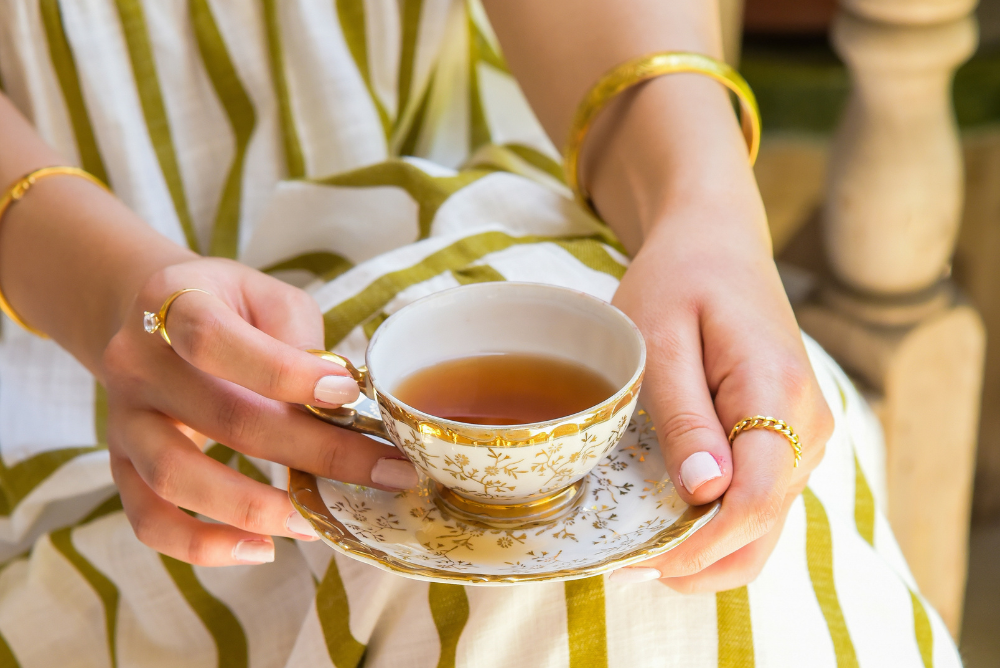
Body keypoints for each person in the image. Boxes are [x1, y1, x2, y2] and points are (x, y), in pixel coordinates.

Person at [0, 0, 960, 665]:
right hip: (45, 358)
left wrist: (705, 208)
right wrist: (103, 293)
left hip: (434, 212)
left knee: (698, 546)